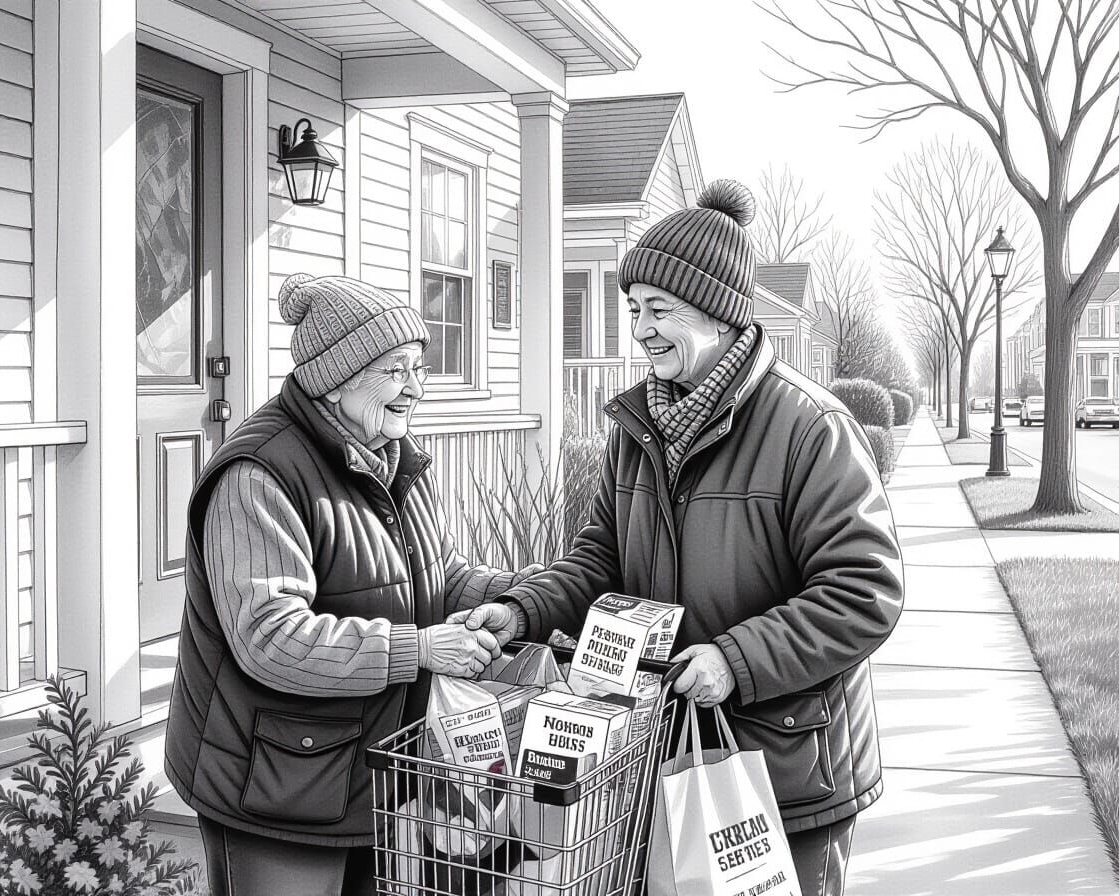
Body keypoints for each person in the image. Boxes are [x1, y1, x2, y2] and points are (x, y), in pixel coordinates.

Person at [453, 180, 904, 896]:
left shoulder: (809, 429)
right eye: (634, 309)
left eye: (659, 309)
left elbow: (864, 591)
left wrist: (735, 658)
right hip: (657, 753)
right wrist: (523, 610)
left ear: (720, 314)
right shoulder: (638, 430)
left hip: (783, 766)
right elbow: (601, 557)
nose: (640, 329)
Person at [165, 273, 536, 896]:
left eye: (418, 367)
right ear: (336, 379)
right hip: (274, 786)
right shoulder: (258, 475)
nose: (414, 388)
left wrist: (520, 596)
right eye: (396, 369)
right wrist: (418, 649)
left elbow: (431, 576)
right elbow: (272, 637)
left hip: (370, 773)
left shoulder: (394, 457)